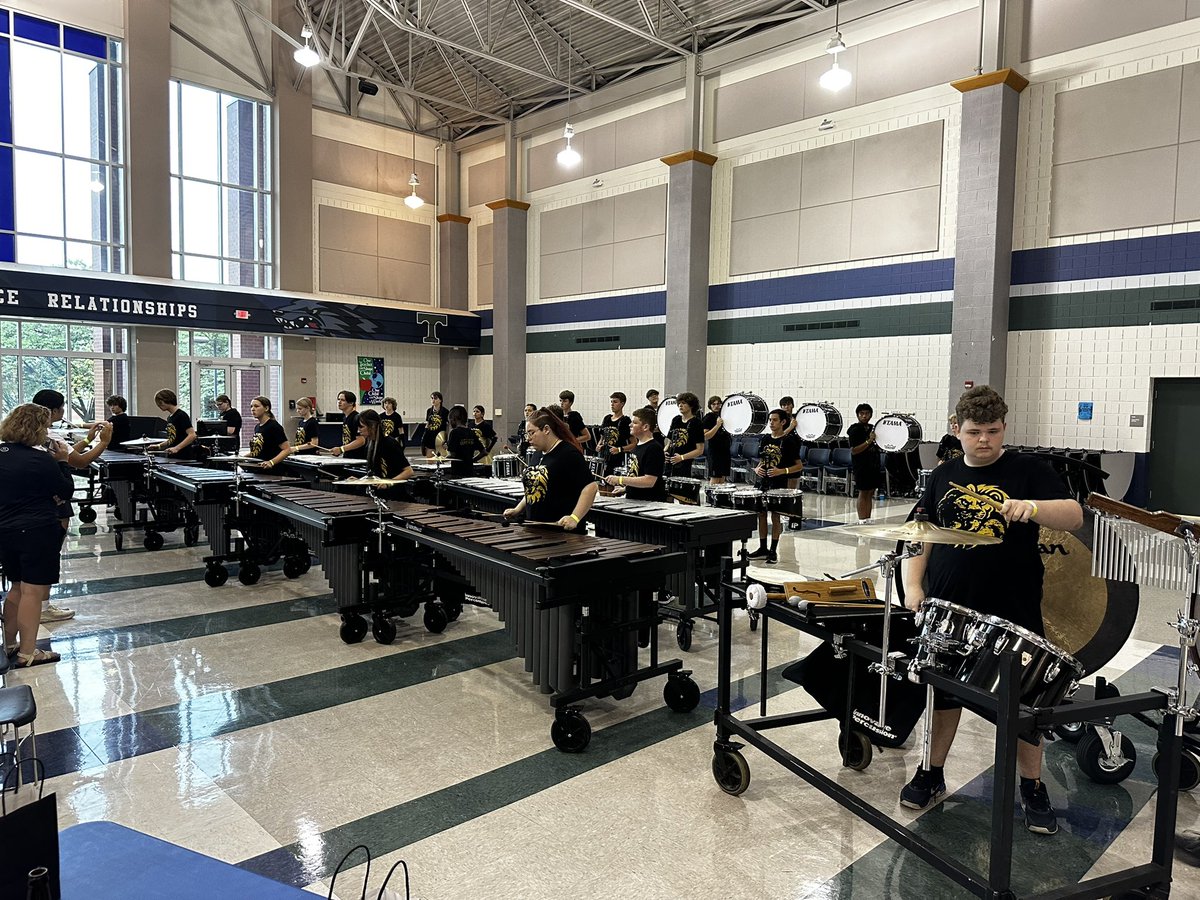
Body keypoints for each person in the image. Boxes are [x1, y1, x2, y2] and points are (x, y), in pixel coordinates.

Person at [900, 385, 1082, 836]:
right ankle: (931, 771)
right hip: (948, 604)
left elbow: (1074, 514)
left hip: (1012, 604)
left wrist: (1031, 507)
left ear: (1004, 428)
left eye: (993, 431)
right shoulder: (941, 475)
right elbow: (920, 535)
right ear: (956, 430)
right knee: (942, 694)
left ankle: (1032, 786)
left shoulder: (1026, 470)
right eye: (975, 431)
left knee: (1021, 703)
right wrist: (911, 586)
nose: (984, 440)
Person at [0, 403, 74, 666]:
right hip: (37, 530)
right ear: (36, 429)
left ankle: (9, 643)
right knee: (33, 591)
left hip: (4, 529)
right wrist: (63, 462)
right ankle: (28, 653)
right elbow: (65, 491)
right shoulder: (40, 459)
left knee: (16, 587)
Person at [31, 389, 113, 623]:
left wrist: (88, 439)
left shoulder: (35, 435)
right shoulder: (47, 437)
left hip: (38, 498)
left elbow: (66, 454)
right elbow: (80, 461)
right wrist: (103, 442)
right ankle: (43, 606)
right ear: (53, 411)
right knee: (50, 552)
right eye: (62, 407)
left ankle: (41, 603)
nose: (64, 411)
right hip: (54, 499)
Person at [503, 408, 597, 530]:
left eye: (531, 433)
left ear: (546, 429)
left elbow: (591, 487)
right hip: (534, 527)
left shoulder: (568, 453)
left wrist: (574, 517)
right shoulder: (538, 453)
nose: (528, 438)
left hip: (560, 532)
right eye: (527, 434)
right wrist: (518, 509)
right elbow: (534, 487)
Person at [747, 409, 801, 565]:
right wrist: (757, 468)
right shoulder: (765, 439)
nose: (771, 423)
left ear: (783, 422)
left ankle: (773, 549)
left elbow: (798, 466)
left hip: (779, 483)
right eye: (770, 420)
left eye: (775, 420)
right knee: (761, 514)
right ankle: (762, 547)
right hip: (763, 482)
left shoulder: (789, 441)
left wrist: (781, 471)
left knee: (775, 516)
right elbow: (763, 460)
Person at [604, 407, 666, 502]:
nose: (630, 425)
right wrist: (626, 489)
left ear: (645, 427)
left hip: (649, 503)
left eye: (635, 422)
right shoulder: (637, 447)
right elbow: (636, 475)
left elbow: (649, 481)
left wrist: (620, 479)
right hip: (635, 500)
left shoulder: (654, 448)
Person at [358, 409, 413, 487]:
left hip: (393, 494)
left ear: (372, 426)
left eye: (362, 427)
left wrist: (389, 483)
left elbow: (408, 471)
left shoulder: (390, 444)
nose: (358, 430)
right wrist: (359, 480)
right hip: (377, 492)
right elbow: (373, 474)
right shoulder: (369, 445)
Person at [848, 403, 882, 524]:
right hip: (861, 465)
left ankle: (868, 518)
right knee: (863, 492)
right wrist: (869, 441)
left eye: (867, 413)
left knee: (870, 492)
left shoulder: (873, 428)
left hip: (873, 464)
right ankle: (862, 519)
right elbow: (854, 450)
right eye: (861, 413)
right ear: (857, 415)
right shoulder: (854, 430)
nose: (864, 416)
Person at [665, 392, 705, 478]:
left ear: (691, 406)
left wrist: (682, 457)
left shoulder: (696, 423)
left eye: (684, 403)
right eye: (679, 403)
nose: (680, 405)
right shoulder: (676, 419)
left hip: (684, 463)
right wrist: (664, 453)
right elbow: (669, 442)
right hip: (670, 462)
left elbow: (700, 450)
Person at [244, 396, 290, 470]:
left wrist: (271, 462)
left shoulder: (274, 426)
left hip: (272, 471)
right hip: (258, 467)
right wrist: (240, 458)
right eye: (251, 406)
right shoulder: (257, 427)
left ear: (266, 408)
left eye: (256, 406)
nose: (252, 409)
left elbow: (287, 450)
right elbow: (258, 451)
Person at [150, 389, 196, 459]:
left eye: (160, 402)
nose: (159, 405)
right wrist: (159, 446)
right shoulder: (170, 417)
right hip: (173, 455)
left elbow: (192, 435)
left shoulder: (181, 415)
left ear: (165, 400)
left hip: (183, 456)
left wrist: (177, 448)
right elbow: (172, 439)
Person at [596, 392, 634, 476]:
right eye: (611, 402)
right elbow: (602, 438)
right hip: (604, 458)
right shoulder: (607, 418)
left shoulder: (625, 421)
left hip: (618, 460)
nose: (612, 404)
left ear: (622, 404)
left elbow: (634, 444)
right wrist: (599, 445)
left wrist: (619, 449)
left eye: (615, 402)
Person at [446, 404, 485, 478]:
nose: (450, 423)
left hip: (457, 472)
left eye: (450, 420)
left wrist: (440, 460)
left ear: (454, 419)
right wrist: (472, 460)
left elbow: (452, 455)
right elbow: (484, 452)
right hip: (470, 471)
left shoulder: (454, 432)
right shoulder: (472, 432)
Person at [702, 395, 731, 485]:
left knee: (722, 478)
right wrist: (717, 425)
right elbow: (705, 436)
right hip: (715, 451)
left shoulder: (724, 416)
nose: (716, 406)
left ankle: (720, 498)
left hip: (725, 449)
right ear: (710, 406)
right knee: (715, 478)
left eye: (718, 403)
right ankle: (711, 498)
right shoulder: (708, 417)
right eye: (713, 404)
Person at [329, 390, 366, 458]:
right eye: (338, 399)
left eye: (343, 400)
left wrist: (341, 449)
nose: (339, 402)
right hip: (348, 455)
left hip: (357, 457)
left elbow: (361, 440)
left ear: (351, 403)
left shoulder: (356, 418)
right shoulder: (345, 417)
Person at [422, 392, 447, 459]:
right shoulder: (429, 411)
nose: (433, 400)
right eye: (432, 398)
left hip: (441, 438)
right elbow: (427, 425)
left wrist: (446, 440)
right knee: (430, 459)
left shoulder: (445, 411)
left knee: (442, 460)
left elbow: (448, 426)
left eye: (435, 398)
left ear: (440, 400)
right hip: (430, 437)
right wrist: (424, 439)